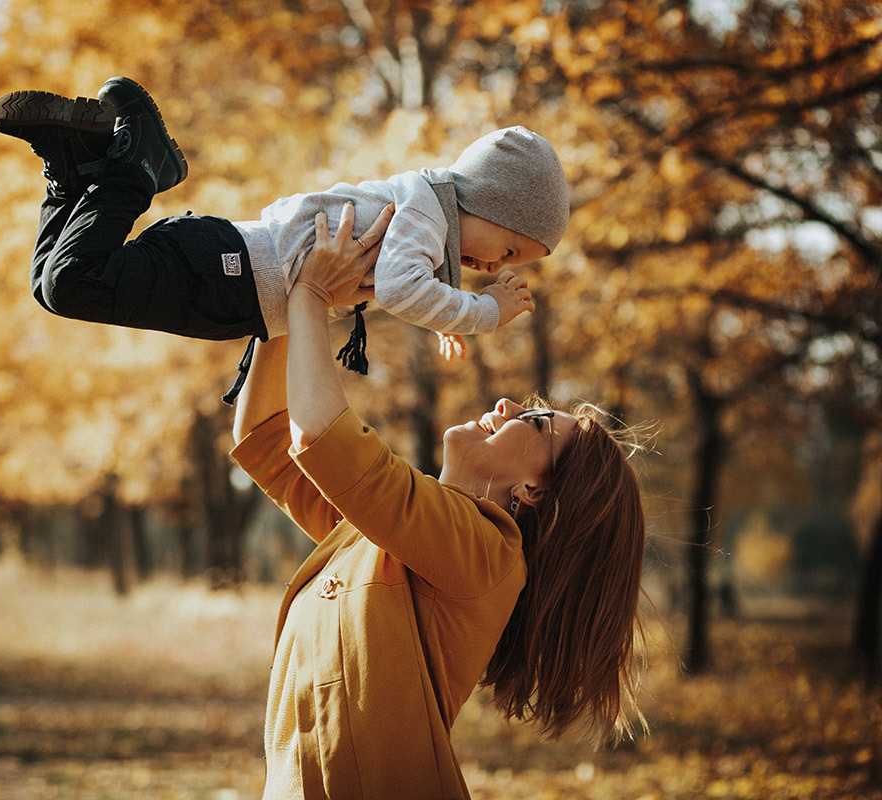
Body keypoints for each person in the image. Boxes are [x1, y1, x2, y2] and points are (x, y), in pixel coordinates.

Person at [229, 201, 647, 797]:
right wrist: (289, 291)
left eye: (531, 421)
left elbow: (322, 440)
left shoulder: (488, 555)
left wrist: (311, 294)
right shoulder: (394, 532)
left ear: (533, 492)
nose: (506, 404)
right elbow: (266, 439)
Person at [0, 77, 567, 398]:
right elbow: (398, 288)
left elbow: (406, 281)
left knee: (51, 284)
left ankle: (74, 174)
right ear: (489, 202)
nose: (496, 268)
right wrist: (480, 312)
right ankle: (139, 166)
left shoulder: (424, 217)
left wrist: (449, 312)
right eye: (511, 250)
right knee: (72, 284)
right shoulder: (423, 208)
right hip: (230, 269)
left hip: (229, 279)